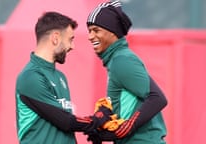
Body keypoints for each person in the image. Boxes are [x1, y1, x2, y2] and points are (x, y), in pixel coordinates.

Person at [15, 11, 113, 144]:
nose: (72, 46)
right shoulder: (30, 77)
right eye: (70, 39)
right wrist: (97, 120)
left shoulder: (60, 77)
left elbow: (66, 129)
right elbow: (64, 121)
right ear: (55, 38)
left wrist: (95, 131)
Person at [85, 1, 168, 144]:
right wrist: (102, 129)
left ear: (112, 32)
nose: (90, 36)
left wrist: (127, 127)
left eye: (96, 30)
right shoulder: (116, 60)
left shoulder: (121, 60)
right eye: (89, 31)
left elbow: (157, 98)